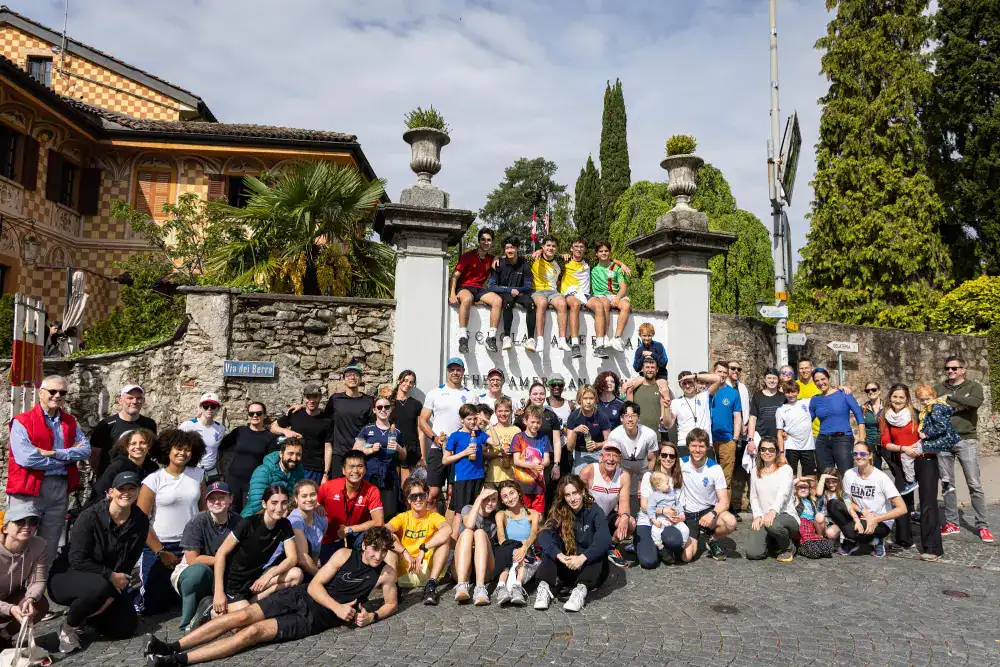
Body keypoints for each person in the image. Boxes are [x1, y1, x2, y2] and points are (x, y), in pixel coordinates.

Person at [143, 527, 398, 666]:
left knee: (252, 633)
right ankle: (171, 646)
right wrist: (339, 608)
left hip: (313, 619)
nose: (377, 556)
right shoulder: (344, 555)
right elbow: (314, 586)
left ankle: (176, 661)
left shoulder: (386, 573)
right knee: (242, 615)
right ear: (364, 545)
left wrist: (373, 615)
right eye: (374, 549)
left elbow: (391, 604)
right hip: (301, 596)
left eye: (383, 551)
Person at [48, 471, 148, 652]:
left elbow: (131, 558)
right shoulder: (90, 517)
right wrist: (109, 576)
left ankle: (89, 615)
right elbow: (77, 559)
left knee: (125, 628)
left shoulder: (140, 520)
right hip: (68, 574)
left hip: (108, 578)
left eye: (131, 488)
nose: (126, 493)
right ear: (111, 492)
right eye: (121, 489)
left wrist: (118, 582)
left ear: (138, 491)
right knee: (99, 588)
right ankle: (69, 627)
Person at [7, 374, 91, 567]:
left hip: (58, 489)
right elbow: (26, 458)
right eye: (52, 391)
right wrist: (66, 459)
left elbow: (85, 449)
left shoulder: (69, 422)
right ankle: (7, 589)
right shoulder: (22, 421)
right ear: (41, 393)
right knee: (18, 539)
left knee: (50, 544)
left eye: (62, 392)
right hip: (28, 488)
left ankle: (36, 590)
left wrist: (53, 453)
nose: (57, 395)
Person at [201, 485, 301, 625]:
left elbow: (292, 558)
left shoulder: (285, 524)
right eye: (274, 503)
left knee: (296, 574)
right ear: (264, 503)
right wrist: (219, 592)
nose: (279, 508)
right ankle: (212, 610)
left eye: (283, 502)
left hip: (255, 581)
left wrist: (268, 576)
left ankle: (247, 606)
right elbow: (221, 553)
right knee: (244, 626)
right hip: (233, 584)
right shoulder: (249, 523)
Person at [136, 429, 207, 615]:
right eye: (178, 448)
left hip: (190, 545)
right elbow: (140, 520)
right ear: (167, 450)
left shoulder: (198, 475)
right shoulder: (153, 480)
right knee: (153, 606)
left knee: (185, 596)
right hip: (160, 545)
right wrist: (160, 551)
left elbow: (204, 512)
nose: (183, 453)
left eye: (188, 449)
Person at [879, 384, 944, 560]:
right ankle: (903, 538)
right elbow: (885, 442)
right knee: (901, 499)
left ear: (907, 399)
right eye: (895, 397)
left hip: (925, 459)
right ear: (890, 398)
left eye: (901, 397)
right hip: (903, 460)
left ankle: (932, 547)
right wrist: (904, 448)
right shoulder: (885, 417)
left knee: (927, 502)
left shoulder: (917, 414)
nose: (898, 400)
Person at [933, 356, 992, 542]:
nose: (950, 372)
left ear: (962, 370)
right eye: (947, 369)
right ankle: (951, 522)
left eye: (954, 368)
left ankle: (982, 525)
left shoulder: (973, 387)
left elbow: (975, 402)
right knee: (947, 483)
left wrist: (950, 398)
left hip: (966, 439)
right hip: (943, 440)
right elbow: (934, 408)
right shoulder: (938, 388)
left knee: (974, 483)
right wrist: (961, 403)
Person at [533, 475, 611, 613]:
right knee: (550, 544)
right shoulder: (560, 511)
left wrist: (582, 558)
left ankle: (580, 591)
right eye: (567, 495)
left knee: (598, 551)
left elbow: (604, 539)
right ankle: (544, 586)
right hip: (568, 564)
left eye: (575, 493)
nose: (572, 499)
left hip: (589, 568)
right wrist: (560, 556)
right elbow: (543, 534)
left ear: (582, 491)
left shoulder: (594, 510)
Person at [172, 481, 241, 632]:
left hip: (226, 571)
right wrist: (222, 560)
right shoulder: (197, 521)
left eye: (222, 497)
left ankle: (209, 610)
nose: (217, 502)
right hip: (193, 571)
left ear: (231, 499)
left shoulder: (238, 522)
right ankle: (187, 622)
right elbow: (192, 560)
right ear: (206, 501)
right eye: (212, 498)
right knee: (198, 573)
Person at [826, 442, 906, 557]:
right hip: (859, 515)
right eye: (855, 453)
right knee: (833, 504)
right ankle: (853, 538)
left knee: (853, 531)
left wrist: (876, 518)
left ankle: (877, 540)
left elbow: (902, 509)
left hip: (879, 521)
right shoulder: (849, 474)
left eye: (863, 453)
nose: (858, 456)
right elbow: (846, 500)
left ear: (870, 455)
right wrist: (862, 511)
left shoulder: (881, 478)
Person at [419, 357, 478, 509]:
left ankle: (450, 530)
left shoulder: (471, 395)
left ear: (463, 372)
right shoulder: (435, 393)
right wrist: (434, 437)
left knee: (453, 495)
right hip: (438, 448)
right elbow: (422, 420)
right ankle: (432, 529)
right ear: (448, 372)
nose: (455, 372)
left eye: (458, 369)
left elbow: (476, 422)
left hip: (460, 451)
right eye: (452, 369)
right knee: (433, 493)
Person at [386, 478, 452, 605]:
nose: (418, 499)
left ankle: (431, 587)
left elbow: (447, 529)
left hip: (427, 570)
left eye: (421, 495)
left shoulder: (433, 516)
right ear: (408, 500)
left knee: (445, 541)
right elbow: (385, 531)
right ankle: (393, 588)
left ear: (426, 496)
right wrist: (404, 552)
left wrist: (423, 549)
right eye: (413, 496)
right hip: (404, 570)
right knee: (389, 540)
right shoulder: (402, 517)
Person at [679, 429, 737, 562]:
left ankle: (713, 540)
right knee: (686, 557)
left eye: (701, 446)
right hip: (689, 514)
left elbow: (724, 502)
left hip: (708, 511)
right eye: (694, 445)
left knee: (730, 522)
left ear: (707, 448)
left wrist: (712, 513)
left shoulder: (715, 468)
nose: (697, 450)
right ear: (688, 446)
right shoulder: (680, 463)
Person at [317, 450, 385, 562]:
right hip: (330, 540)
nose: (355, 471)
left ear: (365, 469)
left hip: (357, 538)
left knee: (378, 536)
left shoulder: (372, 490)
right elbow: (311, 509)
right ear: (343, 470)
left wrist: (349, 529)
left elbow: (378, 522)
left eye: (360, 466)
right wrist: (318, 507)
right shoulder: (328, 487)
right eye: (351, 466)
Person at [635, 442, 692, 568]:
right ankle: (641, 543)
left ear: (675, 459)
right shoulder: (649, 476)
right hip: (647, 521)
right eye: (664, 454)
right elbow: (644, 506)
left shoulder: (678, 479)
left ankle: (664, 547)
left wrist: (678, 516)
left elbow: (679, 505)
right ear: (659, 456)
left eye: (672, 456)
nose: (668, 458)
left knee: (676, 540)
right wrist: (663, 511)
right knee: (649, 562)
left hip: (668, 522)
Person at [578, 443, 634, 568]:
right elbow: (576, 499)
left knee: (631, 523)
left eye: (615, 456)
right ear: (600, 457)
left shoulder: (623, 476)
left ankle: (610, 546)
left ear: (619, 459)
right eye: (608, 455)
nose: (611, 459)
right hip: (588, 515)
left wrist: (624, 517)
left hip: (608, 515)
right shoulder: (589, 471)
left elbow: (624, 503)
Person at [0, 507, 50, 647]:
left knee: (38, 604)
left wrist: (30, 598)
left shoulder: (39, 545)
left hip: (9, 595)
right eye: (19, 522)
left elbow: (38, 580)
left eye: (33, 521)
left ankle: (5, 635)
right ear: (5, 529)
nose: (27, 526)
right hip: (4, 604)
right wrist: (9, 608)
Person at [216, 402, 278, 513]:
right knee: (230, 512)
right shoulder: (240, 431)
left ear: (264, 415)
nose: (255, 416)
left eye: (258, 413)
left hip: (253, 482)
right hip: (233, 479)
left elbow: (271, 463)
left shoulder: (270, 437)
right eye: (251, 413)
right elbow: (220, 446)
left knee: (249, 514)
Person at [320, 361, 376, 483]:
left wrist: (366, 448)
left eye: (356, 374)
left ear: (360, 379)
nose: (352, 377)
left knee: (359, 492)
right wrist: (304, 406)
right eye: (349, 375)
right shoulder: (335, 399)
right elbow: (322, 418)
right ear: (344, 379)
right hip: (339, 454)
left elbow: (373, 428)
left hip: (359, 454)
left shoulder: (368, 401)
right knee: (337, 492)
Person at [744, 437, 798, 562]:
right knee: (753, 553)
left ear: (777, 452)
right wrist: (757, 515)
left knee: (773, 524)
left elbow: (782, 494)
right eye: (763, 449)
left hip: (785, 516)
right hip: (764, 519)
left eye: (771, 450)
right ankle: (773, 543)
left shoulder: (785, 470)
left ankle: (788, 547)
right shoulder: (755, 471)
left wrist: (773, 511)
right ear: (759, 451)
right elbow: (753, 497)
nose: (767, 452)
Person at [451, 228, 502, 354]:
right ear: (479, 241)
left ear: (492, 242)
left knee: (498, 300)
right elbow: (455, 275)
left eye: (489, 240)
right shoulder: (467, 256)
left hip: (479, 289)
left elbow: (511, 255)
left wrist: (497, 257)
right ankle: (463, 337)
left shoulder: (491, 259)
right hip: (464, 287)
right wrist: (452, 293)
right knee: (467, 299)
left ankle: (490, 337)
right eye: (483, 239)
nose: (486, 242)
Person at [89, 383, 157, 477]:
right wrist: (102, 476)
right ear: (120, 401)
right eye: (130, 398)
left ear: (143, 401)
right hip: (113, 480)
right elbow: (95, 455)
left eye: (139, 398)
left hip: (140, 478)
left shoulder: (149, 424)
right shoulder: (106, 425)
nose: (135, 401)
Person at [266, 479, 328, 580]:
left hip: (304, 570)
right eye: (304, 496)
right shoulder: (294, 521)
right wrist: (322, 578)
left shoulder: (322, 520)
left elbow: (315, 553)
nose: (309, 499)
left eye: (313, 494)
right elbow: (303, 560)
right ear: (296, 498)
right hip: (279, 566)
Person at [492, 480, 541, 606]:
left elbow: (534, 533)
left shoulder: (533, 514)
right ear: (502, 501)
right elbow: (501, 537)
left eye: (512, 493)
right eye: (505, 496)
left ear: (518, 493)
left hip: (527, 553)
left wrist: (524, 547)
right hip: (509, 553)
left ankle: (517, 586)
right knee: (508, 549)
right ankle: (501, 586)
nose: (509, 498)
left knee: (524, 551)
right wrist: (516, 549)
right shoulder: (501, 514)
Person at [355, 396, 405, 520]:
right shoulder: (367, 429)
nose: (383, 410)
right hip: (370, 477)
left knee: (390, 513)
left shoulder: (397, 431)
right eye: (379, 407)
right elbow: (355, 451)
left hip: (389, 477)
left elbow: (403, 456)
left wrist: (399, 448)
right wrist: (370, 450)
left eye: (386, 407)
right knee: (369, 512)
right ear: (374, 410)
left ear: (391, 409)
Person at [271, 386, 333, 484]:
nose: (311, 400)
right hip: (292, 464)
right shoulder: (295, 414)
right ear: (304, 398)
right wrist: (286, 431)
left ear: (320, 398)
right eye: (308, 397)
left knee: (309, 498)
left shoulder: (327, 420)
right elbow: (273, 427)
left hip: (315, 469)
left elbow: (328, 448)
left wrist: (326, 474)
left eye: (315, 397)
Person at [514, 382, 564, 501]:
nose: (538, 396)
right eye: (535, 394)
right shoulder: (522, 416)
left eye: (541, 394)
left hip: (546, 464)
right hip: (525, 465)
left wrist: (556, 464)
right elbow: (516, 439)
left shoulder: (551, 416)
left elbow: (557, 442)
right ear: (530, 395)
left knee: (546, 499)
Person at [443, 404, 489, 533]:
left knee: (476, 510)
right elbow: (445, 460)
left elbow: (495, 443)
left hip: (478, 477)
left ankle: (472, 541)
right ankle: (455, 545)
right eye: (469, 419)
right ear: (461, 419)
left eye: (474, 418)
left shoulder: (479, 433)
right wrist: (464, 453)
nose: (472, 422)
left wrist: (488, 423)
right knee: (460, 512)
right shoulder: (455, 436)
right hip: (462, 478)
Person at [809, 368, 865, 475]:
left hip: (842, 439)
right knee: (826, 476)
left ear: (829, 379)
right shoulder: (815, 400)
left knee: (847, 475)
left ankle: (848, 493)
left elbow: (860, 417)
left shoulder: (844, 394)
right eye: (817, 381)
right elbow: (807, 422)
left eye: (823, 379)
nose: (821, 383)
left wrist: (861, 440)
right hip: (822, 442)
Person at [453, 485, 499, 605]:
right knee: (468, 532)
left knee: (479, 533)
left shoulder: (496, 516)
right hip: (461, 568)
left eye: (493, 500)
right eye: (486, 499)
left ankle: (480, 588)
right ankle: (462, 585)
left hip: (485, 570)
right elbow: (469, 524)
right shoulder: (468, 509)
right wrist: (478, 500)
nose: (489, 503)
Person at [608, 401, 659, 510]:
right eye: (626, 416)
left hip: (643, 466)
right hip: (624, 466)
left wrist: (645, 479)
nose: (630, 419)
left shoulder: (649, 434)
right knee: (621, 492)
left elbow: (652, 459)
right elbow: (614, 460)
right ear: (621, 418)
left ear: (638, 418)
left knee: (644, 494)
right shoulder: (614, 435)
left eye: (633, 416)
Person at [487, 236, 535, 352]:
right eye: (507, 248)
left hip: (520, 293)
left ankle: (531, 340)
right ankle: (507, 337)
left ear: (517, 248)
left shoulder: (524, 263)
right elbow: (491, 286)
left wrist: (518, 290)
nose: (509, 250)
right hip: (505, 293)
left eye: (512, 248)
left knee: (531, 304)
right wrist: (509, 290)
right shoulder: (499, 263)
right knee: (507, 302)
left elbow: (528, 285)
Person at [241, 438, 305, 519]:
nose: (294, 458)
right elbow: (257, 505)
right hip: (255, 519)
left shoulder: (299, 471)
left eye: (298, 454)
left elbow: (300, 496)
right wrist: (281, 515)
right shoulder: (263, 471)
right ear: (281, 454)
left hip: (285, 516)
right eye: (290, 453)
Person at [529, 235, 572, 353]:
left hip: (553, 292)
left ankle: (562, 340)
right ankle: (540, 340)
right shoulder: (533, 258)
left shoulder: (560, 260)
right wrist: (496, 257)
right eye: (548, 245)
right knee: (542, 303)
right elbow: (512, 255)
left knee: (563, 303)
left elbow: (589, 258)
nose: (551, 248)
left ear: (557, 248)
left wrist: (619, 263)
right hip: (537, 290)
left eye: (553, 246)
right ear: (543, 247)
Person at [707, 361, 743, 505]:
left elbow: (737, 417)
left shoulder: (733, 393)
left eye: (724, 372)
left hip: (727, 440)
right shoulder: (706, 391)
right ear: (713, 372)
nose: (721, 375)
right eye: (719, 372)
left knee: (725, 478)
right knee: (707, 476)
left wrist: (734, 439)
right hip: (707, 441)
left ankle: (724, 511)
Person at [588, 240, 631, 357]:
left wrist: (617, 298)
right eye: (601, 251)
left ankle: (617, 337)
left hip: (615, 295)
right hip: (601, 295)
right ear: (596, 254)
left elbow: (623, 288)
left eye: (606, 251)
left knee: (626, 305)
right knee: (605, 303)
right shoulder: (592, 267)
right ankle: (605, 336)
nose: (603, 253)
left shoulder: (616, 268)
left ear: (610, 252)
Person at [92, 428, 158, 502]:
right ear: (127, 447)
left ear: (149, 446)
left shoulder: (153, 468)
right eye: (133, 443)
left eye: (142, 443)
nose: (138, 446)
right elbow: (102, 492)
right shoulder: (118, 466)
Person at [664, 371, 718, 457]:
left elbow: (717, 379)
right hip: (684, 445)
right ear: (680, 385)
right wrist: (666, 409)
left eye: (690, 382)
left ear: (695, 382)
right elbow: (668, 424)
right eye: (684, 383)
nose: (687, 385)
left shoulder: (704, 396)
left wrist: (695, 376)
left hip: (704, 444)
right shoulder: (676, 402)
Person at [511, 405, 552, 514]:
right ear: (525, 421)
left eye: (538, 422)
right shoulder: (518, 437)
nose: (535, 425)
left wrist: (542, 464)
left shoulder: (544, 438)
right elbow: (516, 461)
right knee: (524, 514)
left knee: (539, 515)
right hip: (522, 485)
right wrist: (533, 466)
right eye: (532, 422)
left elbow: (547, 460)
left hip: (539, 485)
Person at [566, 385, 612, 472]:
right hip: (580, 453)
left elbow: (609, 441)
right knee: (581, 482)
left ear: (595, 400)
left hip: (599, 453)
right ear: (580, 400)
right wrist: (575, 431)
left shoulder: (602, 416)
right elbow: (569, 447)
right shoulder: (573, 417)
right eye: (585, 398)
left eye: (591, 398)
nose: (588, 402)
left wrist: (597, 444)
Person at [179, 393, 225, 479]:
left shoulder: (220, 428)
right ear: (200, 408)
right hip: (192, 471)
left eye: (213, 406)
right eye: (206, 406)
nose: (209, 409)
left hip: (211, 472)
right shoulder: (188, 426)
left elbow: (216, 451)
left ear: (218, 409)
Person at [560, 238, 592, 358]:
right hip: (569, 293)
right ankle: (575, 344)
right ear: (571, 248)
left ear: (585, 249)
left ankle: (601, 343)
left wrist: (621, 264)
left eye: (581, 247)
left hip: (585, 294)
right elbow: (547, 255)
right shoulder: (564, 260)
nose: (579, 249)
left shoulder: (590, 262)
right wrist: (538, 252)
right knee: (575, 304)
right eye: (576, 246)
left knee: (600, 305)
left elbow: (606, 257)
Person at [775, 382, 816, 477]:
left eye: (793, 392)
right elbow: (779, 433)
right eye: (788, 392)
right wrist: (781, 453)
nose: (791, 395)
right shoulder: (781, 409)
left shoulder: (807, 402)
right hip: (790, 447)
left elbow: (823, 397)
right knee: (790, 477)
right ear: (784, 393)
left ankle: (809, 492)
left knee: (811, 479)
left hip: (808, 446)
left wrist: (840, 388)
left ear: (798, 392)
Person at [391, 370, 424, 484]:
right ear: (399, 381)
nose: (407, 384)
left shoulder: (416, 404)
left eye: (411, 382)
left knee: (406, 487)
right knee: (392, 486)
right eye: (405, 380)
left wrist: (422, 456)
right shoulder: (389, 403)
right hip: (392, 446)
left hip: (411, 448)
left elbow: (421, 431)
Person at [791, 478, 837, 559]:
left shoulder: (812, 501)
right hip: (802, 528)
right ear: (795, 489)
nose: (803, 489)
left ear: (809, 490)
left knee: (828, 550)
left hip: (813, 528)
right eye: (800, 487)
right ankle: (799, 547)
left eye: (805, 487)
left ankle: (816, 542)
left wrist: (823, 477)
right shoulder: (795, 499)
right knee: (814, 552)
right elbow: (788, 486)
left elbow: (819, 493)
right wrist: (800, 479)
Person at [624, 357, 671, 435]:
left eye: (653, 367)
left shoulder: (662, 387)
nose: (650, 370)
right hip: (638, 435)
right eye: (647, 367)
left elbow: (667, 411)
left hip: (658, 435)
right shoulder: (634, 388)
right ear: (642, 369)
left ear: (657, 369)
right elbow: (628, 410)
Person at [484, 397, 519, 483]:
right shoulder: (489, 431)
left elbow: (523, 454)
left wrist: (513, 451)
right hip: (494, 478)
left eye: (506, 411)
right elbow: (483, 455)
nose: (503, 414)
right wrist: (499, 454)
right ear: (495, 412)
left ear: (511, 411)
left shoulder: (517, 430)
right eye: (500, 411)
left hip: (513, 478)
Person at [747, 368, 785, 448]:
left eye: (774, 378)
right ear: (764, 379)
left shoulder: (783, 397)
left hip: (780, 439)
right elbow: (753, 418)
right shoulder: (757, 396)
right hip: (761, 439)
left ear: (778, 380)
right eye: (769, 378)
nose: (772, 381)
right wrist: (750, 440)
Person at [861, 382, 885, 470]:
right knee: (875, 468)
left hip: (886, 442)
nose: (870, 392)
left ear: (879, 391)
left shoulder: (888, 406)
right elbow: (861, 426)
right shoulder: (863, 408)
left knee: (895, 467)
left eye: (874, 389)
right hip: (870, 442)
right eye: (867, 390)